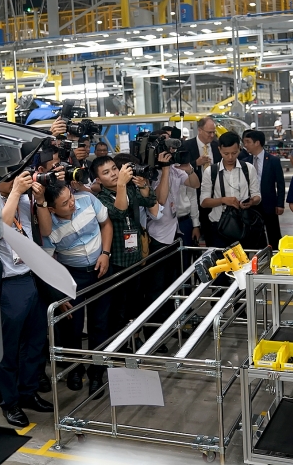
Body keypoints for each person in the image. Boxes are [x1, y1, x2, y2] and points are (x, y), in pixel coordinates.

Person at [39, 181, 113, 400]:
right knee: (72, 326)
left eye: (70, 197)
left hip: (100, 270)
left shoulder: (87, 200)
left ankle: (97, 372)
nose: (72, 203)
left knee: (100, 323)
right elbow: (48, 262)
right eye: (64, 203)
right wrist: (59, 293)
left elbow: (106, 224)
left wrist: (105, 253)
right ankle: (75, 369)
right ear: (52, 209)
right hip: (72, 277)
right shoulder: (48, 227)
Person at [0, 171, 54, 427]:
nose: (19, 180)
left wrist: (40, 201)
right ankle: (10, 402)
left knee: (35, 342)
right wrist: (15, 193)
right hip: (9, 283)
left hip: (33, 277)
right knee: (9, 348)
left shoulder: (26, 200)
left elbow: (46, 230)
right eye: (13, 177)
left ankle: (28, 392)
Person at [91, 155, 157, 333]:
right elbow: (119, 212)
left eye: (114, 168)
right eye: (106, 172)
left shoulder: (130, 189)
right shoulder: (100, 199)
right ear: (98, 180)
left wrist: (142, 185)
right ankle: (119, 342)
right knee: (118, 308)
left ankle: (133, 337)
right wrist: (121, 184)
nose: (113, 174)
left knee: (135, 305)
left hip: (135, 257)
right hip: (116, 261)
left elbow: (150, 201)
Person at [145, 148, 200, 352]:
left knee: (173, 286)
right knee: (156, 290)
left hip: (174, 235)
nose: (172, 155)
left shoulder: (177, 171)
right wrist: (165, 169)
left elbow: (195, 184)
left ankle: (171, 327)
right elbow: (160, 200)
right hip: (156, 238)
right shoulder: (151, 174)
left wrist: (189, 168)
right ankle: (154, 336)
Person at [200, 132, 261, 249]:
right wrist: (223, 200)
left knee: (243, 260)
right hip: (218, 226)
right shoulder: (211, 171)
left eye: (234, 153)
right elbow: (203, 202)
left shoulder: (248, 168)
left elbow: (257, 195)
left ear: (239, 148)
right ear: (219, 149)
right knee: (220, 260)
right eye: (226, 153)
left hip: (243, 225)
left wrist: (251, 202)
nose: (230, 157)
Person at [242, 130, 285, 248]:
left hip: (269, 204)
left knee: (273, 233)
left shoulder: (273, 161)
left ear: (257, 143)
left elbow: (280, 184)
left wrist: (280, 204)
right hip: (252, 204)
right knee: (255, 233)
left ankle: (275, 253)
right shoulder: (245, 162)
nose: (245, 145)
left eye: (248, 142)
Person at [184, 117, 221, 238]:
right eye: (209, 132)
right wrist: (196, 163)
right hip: (195, 193)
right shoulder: (187, 146)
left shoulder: (217, 146)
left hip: (215, 195)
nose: (212, 135)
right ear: (199, 130)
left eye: (213, 132)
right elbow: (181, 168)